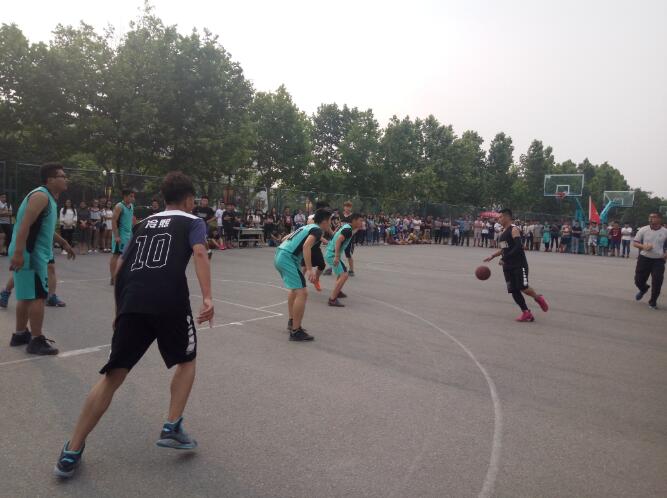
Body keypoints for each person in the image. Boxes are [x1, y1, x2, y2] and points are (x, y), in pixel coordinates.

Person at [54, 171, 214, 479]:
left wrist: (119, 310)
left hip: (133, 300)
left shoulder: (143, 224)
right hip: (169, 300)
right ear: (189, 199)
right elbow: (199, 252)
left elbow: (121, 267)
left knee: (113, 375)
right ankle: (171, 425)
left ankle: (72, 449)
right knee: (187, 360)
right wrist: (207, 297)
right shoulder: (193, 222)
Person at [7, 163, 75, 355]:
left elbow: (45, 228)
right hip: (31, 254)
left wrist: (64, 243)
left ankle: (20, 334)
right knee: (38, 296)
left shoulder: (47, 198)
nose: (65, 179)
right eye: (62, 176)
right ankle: (36, 340)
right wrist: (19, 253)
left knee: (25, 295)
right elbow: (24, 225)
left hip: (27, 252)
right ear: (50, 180)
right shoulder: (41, 196)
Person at [274, 208, 331, 342]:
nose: (330, 223)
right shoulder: (317, 230)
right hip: (288, 258)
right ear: (324, 221)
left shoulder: (305, 227)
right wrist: (309, 269)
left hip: (281, 255)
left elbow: (285, 238)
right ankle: (296, 331)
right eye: (330, 220)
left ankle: (292, 322)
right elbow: (306, 246)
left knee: (295, 290)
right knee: (302, 293)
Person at [484, 208, 549, 322]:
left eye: (500, 217)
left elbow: (518, 246)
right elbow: (504, 249)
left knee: (523, 287)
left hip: (519, 264)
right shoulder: (503, 233)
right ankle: (526, 313)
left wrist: (504, 258)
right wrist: (493, 256)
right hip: (507, 266)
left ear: (507, 217)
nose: (499, 219)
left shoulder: (514, 229)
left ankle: (538, 298)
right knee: (513, 290)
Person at [325, 213, 362, 307]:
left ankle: (337, 292)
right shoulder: (348, 230)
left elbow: (345, 235)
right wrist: (337, 256)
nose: (362, 222)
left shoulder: (348, 227)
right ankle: (332, 299)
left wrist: (357, 229)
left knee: (341, 272)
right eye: (360, 220)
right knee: (344, 275)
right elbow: (338, 240)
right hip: (332, 255)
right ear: (354, 220)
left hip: (331, 253)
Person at [633, 212, 667, 310]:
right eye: (650, 217)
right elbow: (635, 243)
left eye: (654, 217)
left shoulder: (665, 232)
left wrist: (666, 254)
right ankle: (643, 288)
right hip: (644, 258)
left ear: (659, 219)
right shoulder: (643, 229)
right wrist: (643, 246)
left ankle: (653, 302)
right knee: (638, 280)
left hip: (658, 260)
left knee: (657, 281)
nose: (651, 219)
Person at [109, 189, 135, 285]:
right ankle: (113, 278)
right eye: (131, 196)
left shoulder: (131, 206)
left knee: (126, 256)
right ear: (125, 196)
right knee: (116, 255)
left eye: (133, 196)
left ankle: (122, 276)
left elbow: (130, 220)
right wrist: (116, 236)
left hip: (128, 235)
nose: (133, 198)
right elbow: (113, 221)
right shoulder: (119, 206)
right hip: (120, 235)